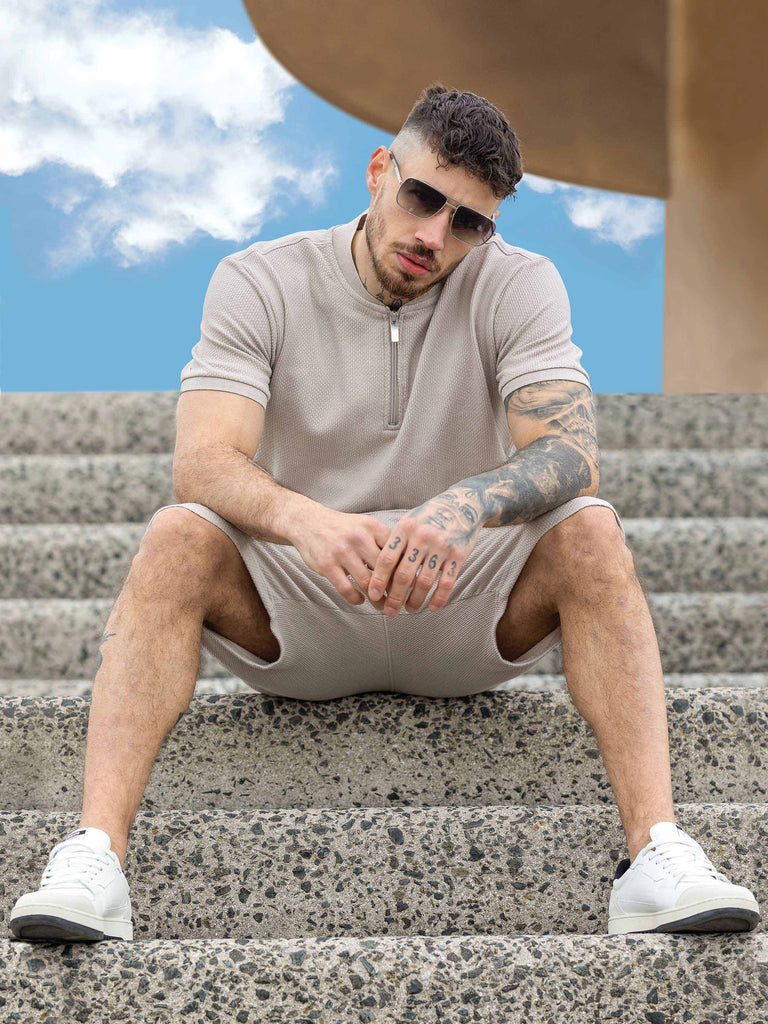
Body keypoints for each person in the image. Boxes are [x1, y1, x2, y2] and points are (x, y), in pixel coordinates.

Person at [10, 83, 760, 943]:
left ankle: (656, 854)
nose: (436, 236)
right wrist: (305, 521)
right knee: (177, 533)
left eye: (469, 223)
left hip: (461, 606)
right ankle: (96, 858)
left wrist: (466, 504)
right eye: (422, 197)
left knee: (590, 524)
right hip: (303, 603)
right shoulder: (260, 278)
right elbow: (202, 460)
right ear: (378, 171)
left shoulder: (520, 285)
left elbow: (570, 451)